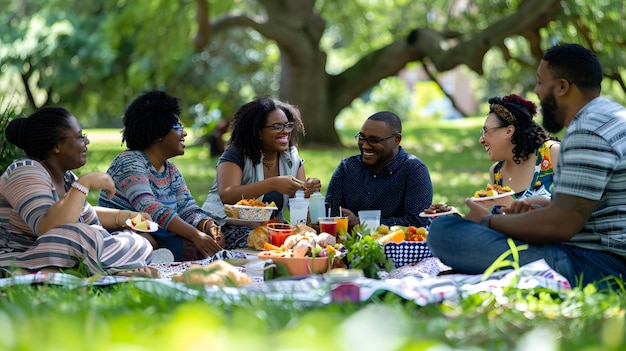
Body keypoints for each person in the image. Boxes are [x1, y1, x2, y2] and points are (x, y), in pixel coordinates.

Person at [428, 43, 626, 288]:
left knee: (444, 232)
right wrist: (534, 208)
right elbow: (576, 210)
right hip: (589, 253)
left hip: (598, 265)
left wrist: (487, 220)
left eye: (541, 82)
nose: (537, 91)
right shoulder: (610, 116)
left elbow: (560, 225)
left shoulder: (588, 131)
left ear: (562, 87)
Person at [0, 107, 157, 277]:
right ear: (57, 146)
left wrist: (125, 217)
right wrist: (84, 183)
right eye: (80, 137)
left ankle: (84, 272)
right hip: (20, 254)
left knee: (138, 241)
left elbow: (84, 215)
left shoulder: (66, 178)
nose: (86, 142)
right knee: (79, 236)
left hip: (68, 251)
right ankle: (107, 270)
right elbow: (48, 228)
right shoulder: (24, 171)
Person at [98, 90, 223, 262]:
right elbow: (150, 208)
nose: (184, 134)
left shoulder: (170, 170)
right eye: (178, 127)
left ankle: (160, 257)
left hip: (158, 233)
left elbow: (188, 209)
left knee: (200, 246)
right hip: (123, 233)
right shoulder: (129, 162)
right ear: (158, 133)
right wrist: (195, 235)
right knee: (188, 247)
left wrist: (207, 225)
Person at [202, 97, 321, 249]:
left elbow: (297, 201)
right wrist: (273, 184)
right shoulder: (236, 154)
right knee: (265, 244)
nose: (285, 131)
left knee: (306, 243)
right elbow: (227, 195)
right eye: (277, 127)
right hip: (224, 225)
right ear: (259, 132)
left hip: (267, 228)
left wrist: (307, 191)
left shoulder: (292, 157)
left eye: (288, 125)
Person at [325, 111, 433, 229]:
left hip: (398, 245)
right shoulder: (347, 167)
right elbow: (330, 213)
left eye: (374, 140)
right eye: (362, 137)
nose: (365, 146)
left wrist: (363, 223)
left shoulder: (414, 170)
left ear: (396, 140)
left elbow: (416, 222)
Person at [478, 94, 560, 212]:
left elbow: (568, 213)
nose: (481, 140)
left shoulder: (552, 153)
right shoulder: (496, 172)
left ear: (509, 131)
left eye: (486, 131)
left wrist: (510, 204)